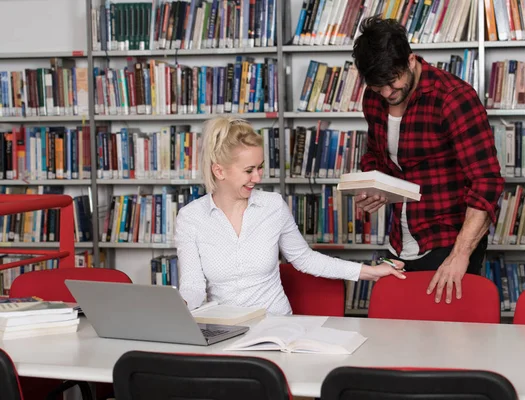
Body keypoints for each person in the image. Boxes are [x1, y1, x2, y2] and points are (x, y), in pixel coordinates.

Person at [175, 116, 406, 315]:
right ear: (219, 171)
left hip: (275, 324)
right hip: (224, 330)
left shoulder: (273, 206)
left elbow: (305, 259)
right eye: (249, 171)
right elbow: (193, 286)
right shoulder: (191, 218)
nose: (257, 178)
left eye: (260, 167)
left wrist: (369, 272)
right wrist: (177, 307)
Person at [351, 17, 504, 305]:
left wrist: (460, 255)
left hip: (449, 241)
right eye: (377, 86)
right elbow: (376, 155)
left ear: (410, 61)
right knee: (403, 337)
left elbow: (487, 183)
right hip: (400, 240)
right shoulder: (375, 98)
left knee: (450, 340)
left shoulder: (453, 98)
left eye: (392, 83)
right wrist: (372, 184)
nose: (386, 94)